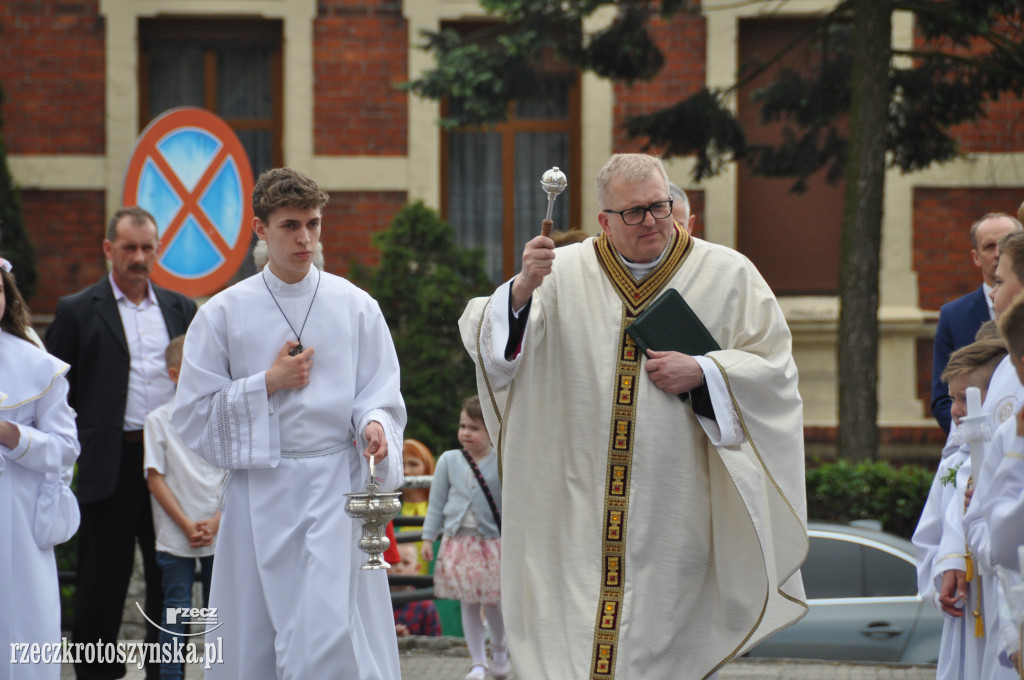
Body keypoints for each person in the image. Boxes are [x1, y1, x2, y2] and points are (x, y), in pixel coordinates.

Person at [459, 153, 807, 679]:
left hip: (677, 515)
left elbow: (776, 374)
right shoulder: (562, 272)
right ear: (604, 220)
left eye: (661, 206)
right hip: (574, 516)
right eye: (635, 212)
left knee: (658, 653)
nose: (652, 221)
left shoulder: (729, 274)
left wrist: (707, 370)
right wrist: (522, 290)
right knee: (574, 649)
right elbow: (490, 349)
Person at [172, 167, 406, 680]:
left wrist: (372, 426)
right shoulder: (222, 314)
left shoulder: (355, 305)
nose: (306, 238)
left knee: (329, 633)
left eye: (314, 224)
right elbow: (190, 416)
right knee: (254, 634)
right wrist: (267, 382)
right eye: (290, 226)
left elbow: (381, 393)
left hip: (334, 487)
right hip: (261, 492)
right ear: (260, 229)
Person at [45, 206, 198, 680]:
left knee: (169, 577)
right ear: (109, 249)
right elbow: (54, 391)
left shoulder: (180, 309)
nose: (138, 257)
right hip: (109, 463)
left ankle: (164, 673)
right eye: (129, 247)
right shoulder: (76, 310)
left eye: (147, 248)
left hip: (169, 469)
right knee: (101, 584)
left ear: (158, 250)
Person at [0, 258, 80, 680]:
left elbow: (66, 448)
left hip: (16, 524)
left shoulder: (37, 365)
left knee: (21, 628)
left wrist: (12, 435)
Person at [912, 338, 1007, 680]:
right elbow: (927, 536)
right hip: (965, 619)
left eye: (965, 397)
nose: (954, 410)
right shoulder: (954, 465)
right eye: (952, 399)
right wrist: (945, 571)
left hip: (1005, 603)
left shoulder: (1010, 459)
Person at [958, 231, 1024, 679]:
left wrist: (979, 511)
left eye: (999, 281)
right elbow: (960, 456)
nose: (993, 292)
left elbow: (1003, 535)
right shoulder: (1001, 371)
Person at [143, 335, 227, 680]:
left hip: (220, 532)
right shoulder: (158, 420)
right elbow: (155, 477)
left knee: (218, 608)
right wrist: (186, 524)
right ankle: (170, 674)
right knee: (176, 608)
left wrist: (218, 520)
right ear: (175, 374)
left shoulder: (223, 417)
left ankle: (220, 672)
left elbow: (234, 475)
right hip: (175, 535)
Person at [421, 396, 509, 680]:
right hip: (459, 542)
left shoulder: (502, 460)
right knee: (467, 603)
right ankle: (478, 662)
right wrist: (427, 537)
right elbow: (436, 503)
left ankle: (499, 649)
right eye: (462, 426)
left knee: (494, 602)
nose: (466, 433)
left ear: (491, 429)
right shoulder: (449, 460)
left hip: (492, 542)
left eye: (474, 427)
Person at [931, 213, 1022, 435]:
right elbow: (943, 396)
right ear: (976, 256)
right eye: (989, 246)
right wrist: (968, 439)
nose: (998, 253)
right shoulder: (954, 315)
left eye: (1007, 243)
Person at [391, 542, 442, 638]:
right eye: (393, 562)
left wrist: (408, 641)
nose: (399, 568)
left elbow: (434, 642)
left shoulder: (425, 605)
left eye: (405, 563)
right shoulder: (377, 601)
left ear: (417, 569)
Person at [400, 438, 435, 575]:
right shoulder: (385, 508)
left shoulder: (442, 508)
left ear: (427, 467)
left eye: (413, 464)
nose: (406, 471)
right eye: (401, 464)